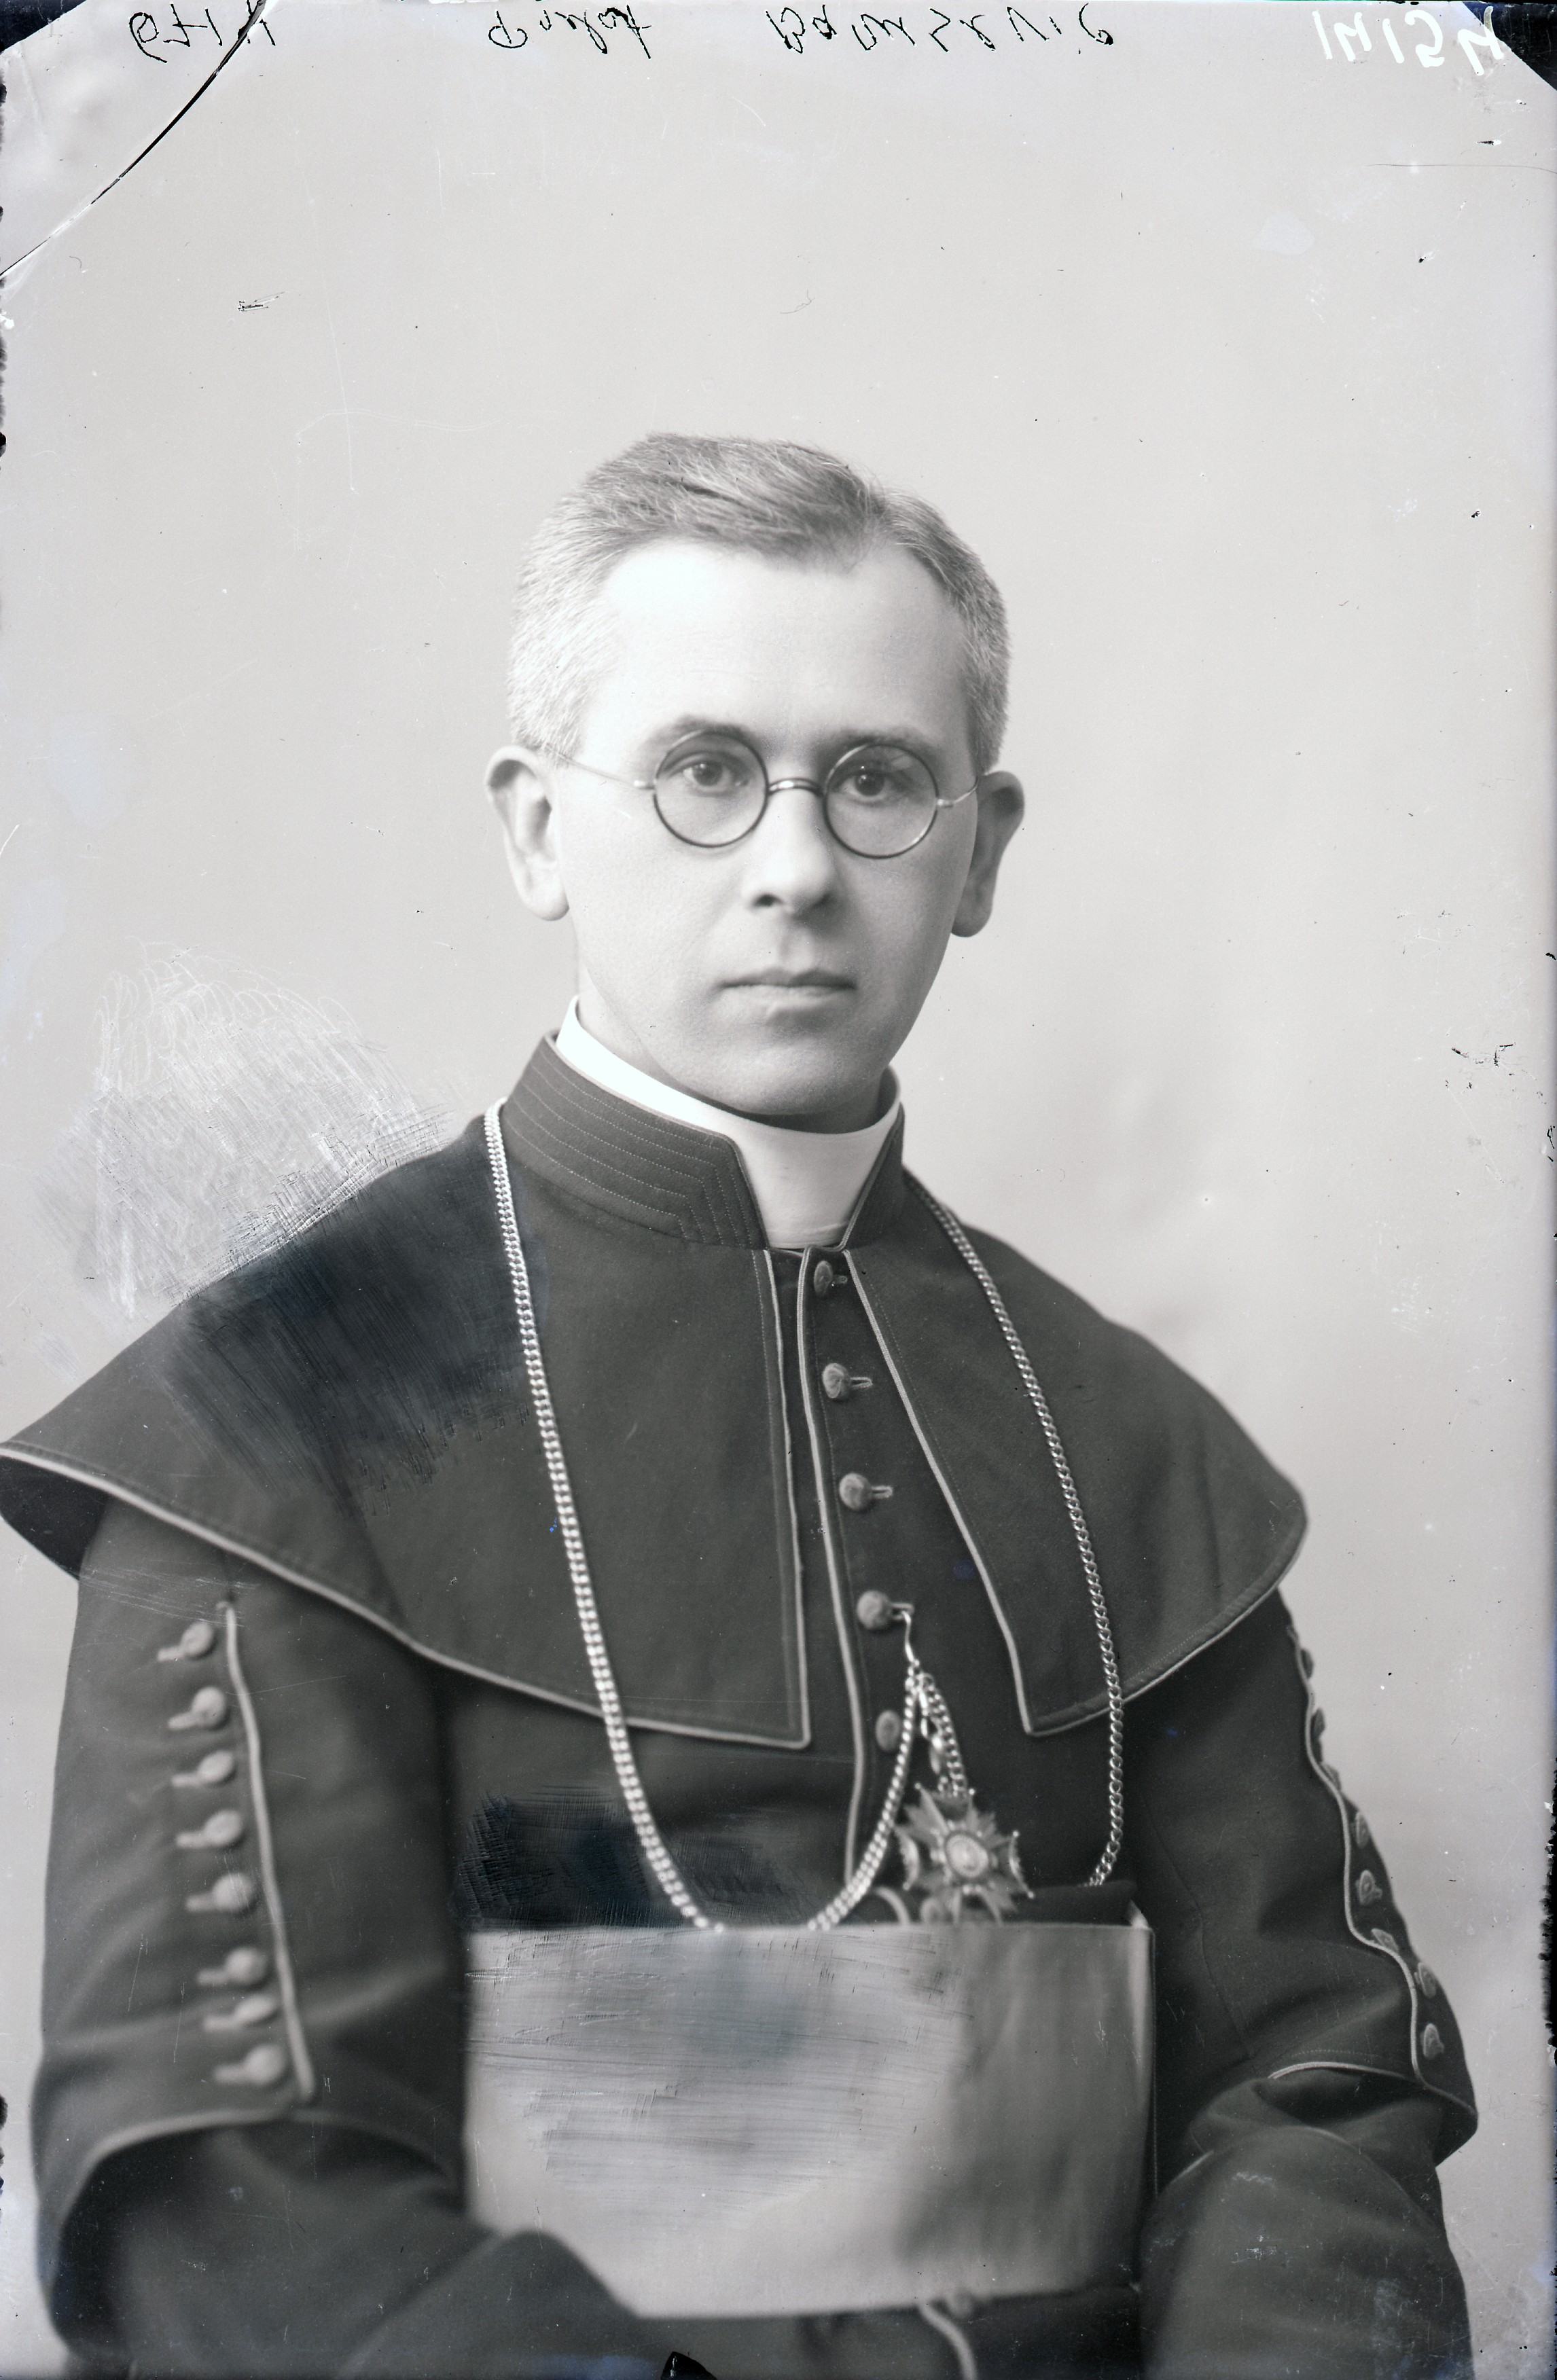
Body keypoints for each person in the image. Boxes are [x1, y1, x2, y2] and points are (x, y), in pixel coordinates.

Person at [0, 435, 1475, 2380]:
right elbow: (243, 2197)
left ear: (979, 852)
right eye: (704, 774)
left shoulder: (1120, 1437)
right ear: (536, 830)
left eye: (875, 780)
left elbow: (1311, 2082)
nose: (794, 868)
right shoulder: (268, 1418)